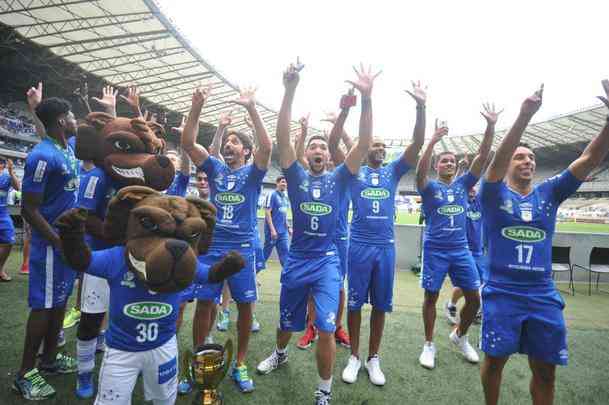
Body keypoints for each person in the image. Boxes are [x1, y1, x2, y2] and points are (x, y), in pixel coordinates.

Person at [479, 81, 609, 405]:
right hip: (502, 290)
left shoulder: (549, 193)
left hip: (541, 293)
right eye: (519, 157)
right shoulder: (493, 193)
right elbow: (495, 164)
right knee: (495, 362)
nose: (527, 161)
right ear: (508, 163)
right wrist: (524, 116)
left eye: (531, 158)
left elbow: (590, 158)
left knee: (547, 372)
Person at [256, 61, 377, 405]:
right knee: (286, 321)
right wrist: (289, 90)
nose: (319, 150)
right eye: (314, 146)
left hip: (326, 261)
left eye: (324, 147)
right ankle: (279, 352)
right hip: (297, 259)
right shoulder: (294, 177)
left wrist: (366, 99)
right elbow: (281, 139)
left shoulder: (340, 177)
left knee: (325, 325)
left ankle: (323, 392)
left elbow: (364, 143)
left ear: (329, 155)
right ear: (305, 154)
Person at [181, 84, 272, 393]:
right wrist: (197, 107)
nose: (230, 145)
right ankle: (199, 360)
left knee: (246, 306)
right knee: (204, 303)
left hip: (243, 248)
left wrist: (251, 108)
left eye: (236, 141)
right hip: (212, 246)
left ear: (245, 151)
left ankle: (241, 362)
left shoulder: (254, 172)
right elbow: (188, 142)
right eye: (228, 141)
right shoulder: (215, 168)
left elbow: (268, 148)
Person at [341, 81, 427, 386]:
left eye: (382, 145)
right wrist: (353, 106)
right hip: (359, 245)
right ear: (364, 150)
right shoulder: (353, 171)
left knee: (380, 305)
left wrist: (420, 106)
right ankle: (354, 356)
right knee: (354, 304)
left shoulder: (392, 171)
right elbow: (336, 139)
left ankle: (373, 358)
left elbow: (417, 144)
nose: (379, 148)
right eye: (373, 144)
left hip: (385, 248)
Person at [416, 103, 499, 370]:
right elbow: (418, 171)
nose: (449, 163)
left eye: (452, 161)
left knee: (475, 298)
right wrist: (433, 141)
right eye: (444, 161)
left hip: (461, 250)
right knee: (430, 297)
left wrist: (490, 126)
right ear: (437, 166)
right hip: (435, 250)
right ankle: (429, 344)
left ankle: (460, 336)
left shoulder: (465, 185)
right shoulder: (429, 188)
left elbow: (482, 157)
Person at [12, 94, 79, 400]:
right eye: (72, 115)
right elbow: (29, 209)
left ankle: (50, 360)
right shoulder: (41, 156)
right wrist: (57, 241)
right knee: (43, 307)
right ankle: (25, 373)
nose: (76, 120)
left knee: (60, 302)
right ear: (63, 121)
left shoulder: (67, 148)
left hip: (65, 245)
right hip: (50, 246)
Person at [445, 185, 486, 325]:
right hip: (464, 249)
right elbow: (456, 188)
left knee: (479, 282)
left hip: (478, 251)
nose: (473, 190)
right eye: (470, 188)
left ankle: (453, 304)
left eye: (475, 188)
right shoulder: (460, 202)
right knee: (469, 283)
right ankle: (457, 306)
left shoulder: (479, 203)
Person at [0, 157, 20, 282]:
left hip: (2, 213)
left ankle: (0, 269)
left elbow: (17, 187)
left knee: (9, 240)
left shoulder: (6, 176)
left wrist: (12, 171)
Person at [263, 176, 290, 269]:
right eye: (282, 182)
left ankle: (287, 280)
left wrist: (288, 227)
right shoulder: (272, 195)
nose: (284, 184)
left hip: (283, 233)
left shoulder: (285, 197)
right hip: (272, 233)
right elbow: (267, 213)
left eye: (286, 183)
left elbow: (283, 214)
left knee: (285, 256)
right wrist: (272, 230)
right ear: (277, 183)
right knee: (264, 255)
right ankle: (252, 276)